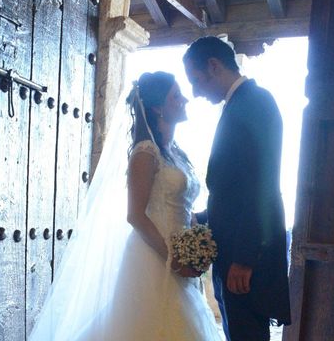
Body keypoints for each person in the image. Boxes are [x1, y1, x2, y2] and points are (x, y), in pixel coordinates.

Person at [29, 71, 222, 341]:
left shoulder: (176, 153)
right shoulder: (145, 152)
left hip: (181, 256)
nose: (185, 99)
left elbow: (185, 207)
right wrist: (172, 258)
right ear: (157, 108)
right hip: (153, 256)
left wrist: (194, 248)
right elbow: (135, 216)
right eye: (176, 96)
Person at [183, 36, 291, 341]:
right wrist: (202, 218)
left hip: (244, 257)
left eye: (195, 80)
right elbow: (235, 189)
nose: (195, 91)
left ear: (214, 66)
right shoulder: (240, 105)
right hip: (232, 250)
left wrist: (244, 258)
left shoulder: (254, 103)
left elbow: (262, 185)